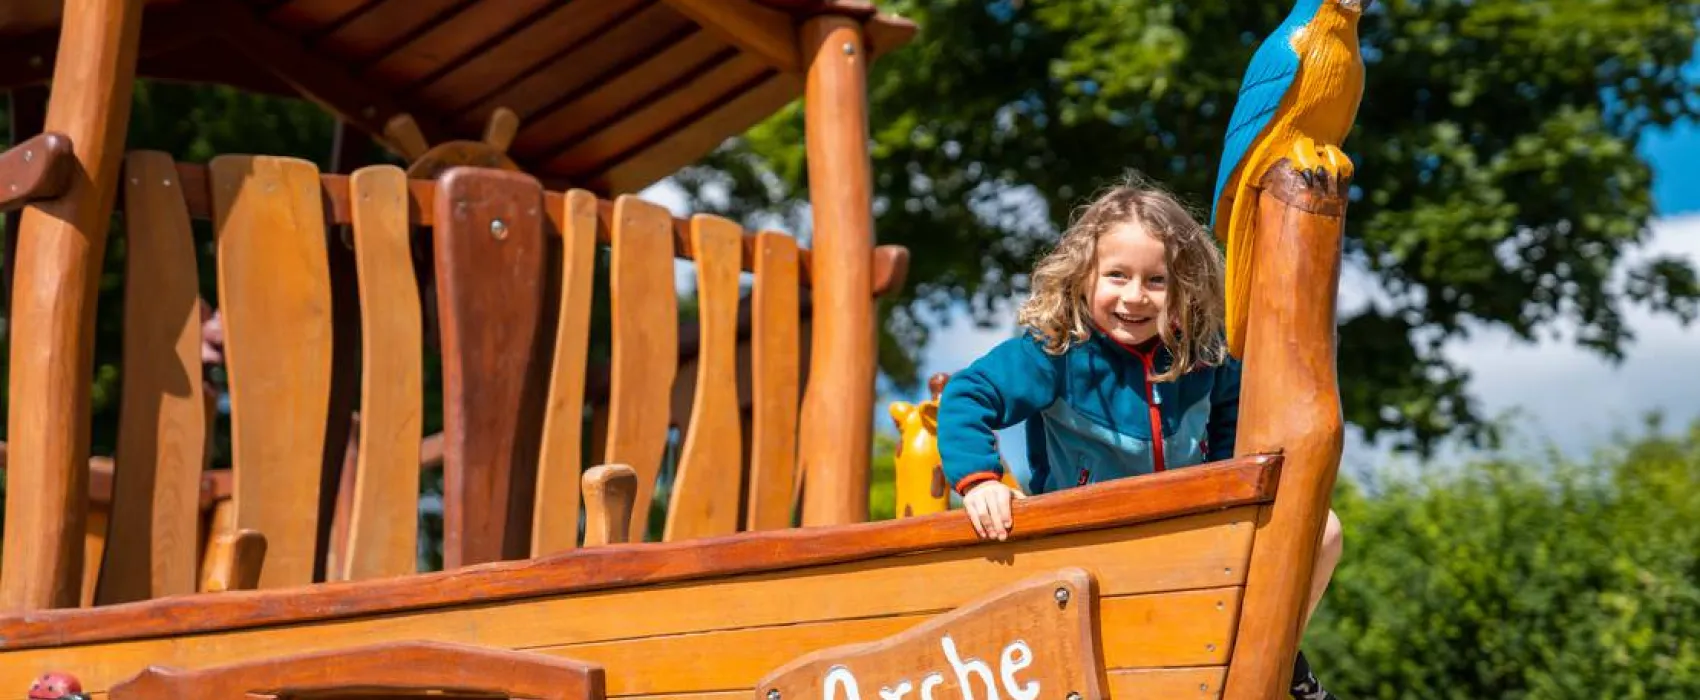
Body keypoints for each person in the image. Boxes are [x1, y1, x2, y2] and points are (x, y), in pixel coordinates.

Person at [935, 174, 1344, 700]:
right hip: (1086, 544)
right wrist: (979, 481)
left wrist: (1224, 485)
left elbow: (1231, 416)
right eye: (1117, 276)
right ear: (1084, 276)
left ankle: (1274, 658)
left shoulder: (1203, 356)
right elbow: (969, 393)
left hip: (1185, 537)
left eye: (1156, 281)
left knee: (1323, 529)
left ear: (1185, 287)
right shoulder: (1058, 351)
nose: (1135, 296)